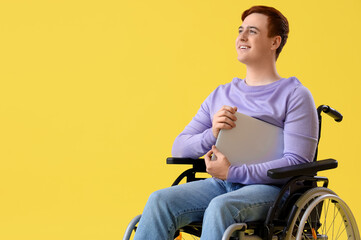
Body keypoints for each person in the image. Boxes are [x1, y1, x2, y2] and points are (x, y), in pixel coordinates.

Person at [133, 5, 318, 240]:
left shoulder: (295, 95)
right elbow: (179, 147)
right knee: (160, 200)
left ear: (274, 42)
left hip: (272, 192)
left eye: (252, 31)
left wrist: (233, 171)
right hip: (221, 185)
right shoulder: (221, 94)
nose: (241, 37)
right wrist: (213, 132)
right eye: (240, 30)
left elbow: (297, 161)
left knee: (221, 207)